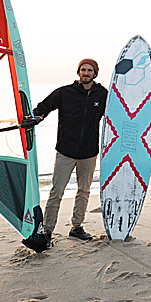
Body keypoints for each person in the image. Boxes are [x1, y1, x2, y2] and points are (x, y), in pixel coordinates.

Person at [32, 58, 108, 243]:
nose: (86, 73)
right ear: (78, 72)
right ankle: (47, 230)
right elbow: (43, 107)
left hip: (89, 153)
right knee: (56, 191)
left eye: (89, 70)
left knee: (84, 191)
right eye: (83, 70)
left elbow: (115, 115)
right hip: (65, 151)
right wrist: (35, 117)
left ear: (95, 74)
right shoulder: (65, 92)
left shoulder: (103, 94)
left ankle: (76, 227)